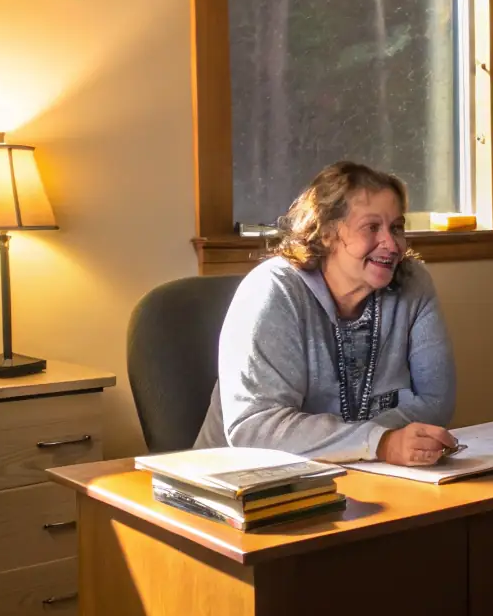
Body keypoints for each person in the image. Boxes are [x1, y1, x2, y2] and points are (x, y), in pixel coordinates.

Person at [194, 161, 457, 466]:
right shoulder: (272, 291)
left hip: (364, 475)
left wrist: (377, 446)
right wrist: (379, 442)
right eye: (372, 227)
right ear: (327, 233)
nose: (391, 244)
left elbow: (436, 400)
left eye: (396, 228)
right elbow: (254, 428)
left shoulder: (412, 282)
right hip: (241, 483)